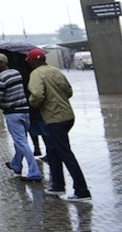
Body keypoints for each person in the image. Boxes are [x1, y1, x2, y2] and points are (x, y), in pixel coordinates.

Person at [27, 48, 91, 201]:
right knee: (53, 150)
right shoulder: (56, 71)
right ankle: (57, 185)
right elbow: (69, 91)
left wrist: (32, 104)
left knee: (65, 153)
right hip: (67, 116)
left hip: (54, 118)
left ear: (34, 61)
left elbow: (36, 94)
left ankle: (82, 190)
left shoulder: (36, 74)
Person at [0, 53, 41, 182]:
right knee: (20, 140)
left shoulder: (0, 78)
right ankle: (16, 164)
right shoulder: (16, 73)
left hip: (12, 113)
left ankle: (34, 172)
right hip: (24, 111)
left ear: (2, 63)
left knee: (21, 142)